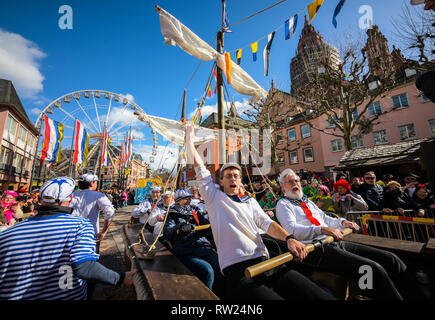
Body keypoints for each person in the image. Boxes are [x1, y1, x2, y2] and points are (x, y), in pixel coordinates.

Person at [185, 124, 335, 300]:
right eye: (228, 176)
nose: (232, 178)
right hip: (239, 270)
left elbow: (266, 223)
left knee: (315, 294)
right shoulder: (214, 197)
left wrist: (289, 239)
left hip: (267, 261)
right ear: (222, 182)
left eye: (235, 175)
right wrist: (189, 140)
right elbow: (199, 166)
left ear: (240, 180)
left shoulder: (250, 201)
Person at [276, 168, 427, 300]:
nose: (295, 184)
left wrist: (343, 222)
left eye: (296, 180)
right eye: (290, 182)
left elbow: (325, 218)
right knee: (372, 269)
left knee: (391, 259)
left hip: (334, 241)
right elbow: (293, 230)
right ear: (283, 187)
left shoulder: (307, 201)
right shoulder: (283, 204)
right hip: (317, 250)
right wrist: (321, 229)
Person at [0, 177, 136, 300]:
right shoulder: (81, 226)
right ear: (70, 198)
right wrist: (120, 278)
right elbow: (83, 267)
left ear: (39, 200)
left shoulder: (7, 233)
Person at [162, 188, 222, 291]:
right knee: (207, 270)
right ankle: (206, 295)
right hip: (186, 251)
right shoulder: (171, 214)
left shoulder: (195, 211)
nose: (188, 201)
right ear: (178, 200)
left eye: (189, 198)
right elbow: (167, 233)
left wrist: (211, 226)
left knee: (220, 266)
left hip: (203, 247)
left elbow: (206, 225)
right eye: (185, 199)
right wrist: (179, 228)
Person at [70, 174, 115, 246]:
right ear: (91, 183)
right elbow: (110, 212)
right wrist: (103, 232)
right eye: (96, 182)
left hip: (70, 235)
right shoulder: (98, 195)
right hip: (90, 236)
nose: (97, 184)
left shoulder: (71, 195)